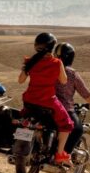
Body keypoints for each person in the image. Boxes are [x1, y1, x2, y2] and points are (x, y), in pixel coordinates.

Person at [18, 32, 74, 165]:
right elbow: (64, 81)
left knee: (23, 119)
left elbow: (21, 80)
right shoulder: (56, 62)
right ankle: (60, 154)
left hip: (29, 100)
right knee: (67, 124)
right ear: (52, 47)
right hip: (48, 101)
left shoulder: (30, 61)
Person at [54, 42, 90, 154]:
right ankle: (63, 155)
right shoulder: (71, 73)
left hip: (43, 103)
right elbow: (84, 92)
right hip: (63, 107)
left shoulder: (49, 67)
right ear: (71, 57)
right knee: (78, 130)